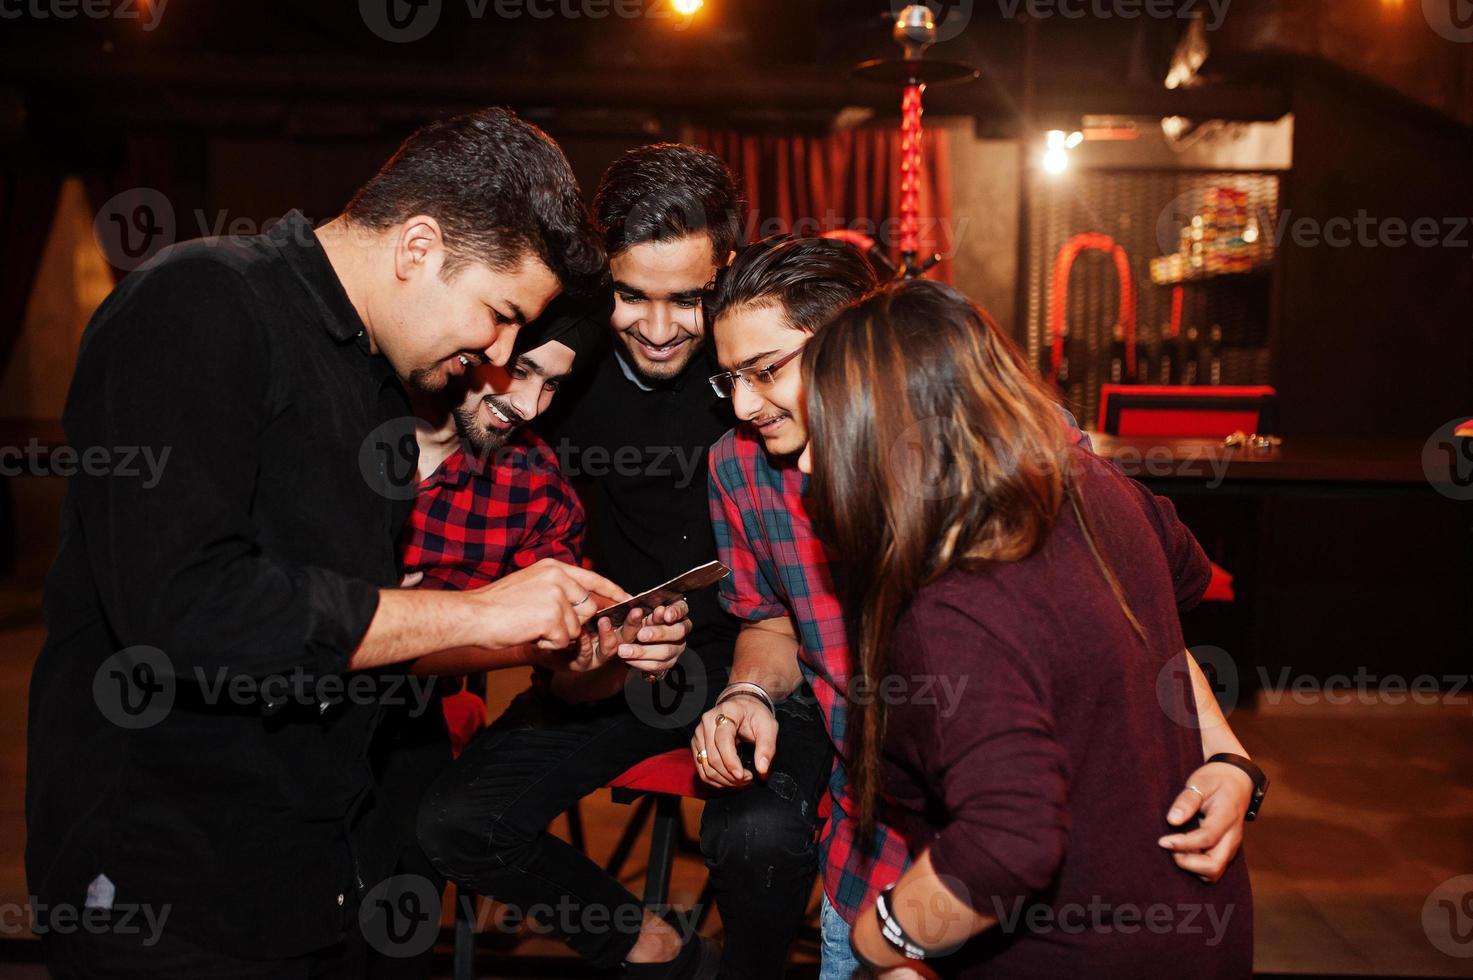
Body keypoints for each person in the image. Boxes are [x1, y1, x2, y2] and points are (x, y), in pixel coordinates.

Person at [27, 107, 637, 979]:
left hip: (312, 870)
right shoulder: (200, 301)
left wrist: (525, 631)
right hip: (167, 883)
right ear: (417, 247)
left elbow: (347, 636)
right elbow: (186, 609)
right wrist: (472, 610)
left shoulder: (380, 383)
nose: (502, 356)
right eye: (499, 314)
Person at [702, 238, 1258, 979]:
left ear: (867, 358)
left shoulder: (958, 592)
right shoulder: (1088, 482)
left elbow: (1009, 834)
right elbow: (1146, 605)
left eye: (768, 370)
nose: (745, 405)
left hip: (1027, 909)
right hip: (897, 865)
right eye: (729, 378)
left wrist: (1226, 756)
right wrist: (747, 690)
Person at [417, 144, 834, 980]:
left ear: (724, 267)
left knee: (757, 839)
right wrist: (587, 653)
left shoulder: (764, 363)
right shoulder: (558, 366)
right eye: (631, 295)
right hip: (629, 659)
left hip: (775, 651)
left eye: (686, 298)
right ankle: (655, 951)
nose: (656, 326)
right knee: (456, 820)